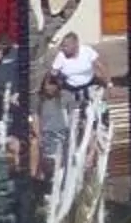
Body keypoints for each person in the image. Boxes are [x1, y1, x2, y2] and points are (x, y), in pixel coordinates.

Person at [40, 32, 102, 167]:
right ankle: (73, 147)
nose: (63, 48)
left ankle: (91, 151)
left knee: (88, 120)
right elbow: (53, 73)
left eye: (66, 46)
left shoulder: (86, 51)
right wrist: (48, 85)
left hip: (88, 87)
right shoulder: (61, 56)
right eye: (62, 46)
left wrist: (108, 83)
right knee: (71, 119)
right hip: (70, 89)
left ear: (75, 45)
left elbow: (100, 66)